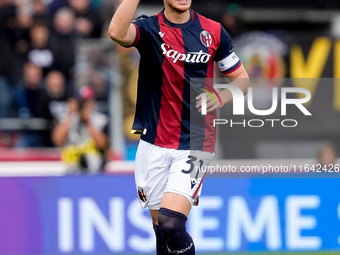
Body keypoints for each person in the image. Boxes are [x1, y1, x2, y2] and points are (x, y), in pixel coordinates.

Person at [108, 0, 250, 254]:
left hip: (196, 141)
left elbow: (241, 80)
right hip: (154, 141)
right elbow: (117, 33)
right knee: (161, 232)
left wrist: (221, 97)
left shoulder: (213, 32)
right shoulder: (149, 28)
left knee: (171, 223)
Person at [51, 86, 109, 174]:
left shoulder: (101, 119)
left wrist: (88, 122)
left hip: (94, 170)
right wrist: (70, 114)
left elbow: (102, 144)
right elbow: (57, 140)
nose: (84, 105)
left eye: (87, 102)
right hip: (70, 169)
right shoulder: (65, 119)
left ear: (93, 102)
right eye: (81, 102)